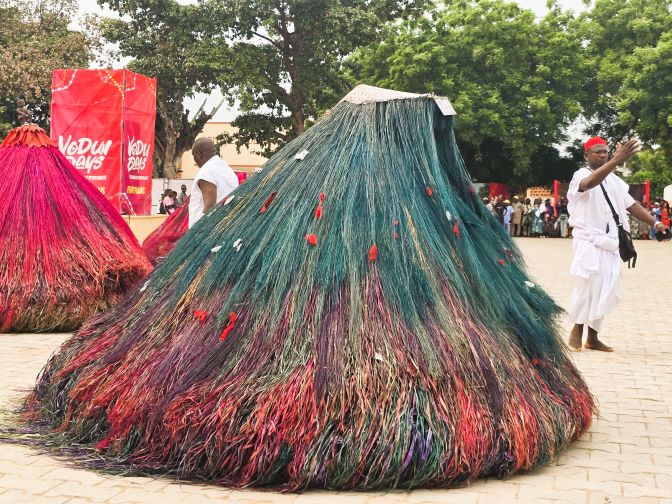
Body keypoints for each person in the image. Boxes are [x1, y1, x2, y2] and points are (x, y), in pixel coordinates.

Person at [567, 137, 668, 353]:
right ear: (586, 155)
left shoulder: (615, 181)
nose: (602, 155)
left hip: (611, 243)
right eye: (597, 152)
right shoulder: (581, 175)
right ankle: (577, 330)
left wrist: (656, 223)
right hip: (589, 241)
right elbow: (589, 184)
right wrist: (616, 159)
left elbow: (632, 205)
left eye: (605, 151)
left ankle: (593, 338)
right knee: (587, 286)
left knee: (606, 288)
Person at [189, 137, 239, 228]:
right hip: (226, 225)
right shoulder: (227, 170)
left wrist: (198, 231)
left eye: (194, 156)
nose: (194, 160)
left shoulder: (206, 172)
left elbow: (210, 206)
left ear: (199, 155)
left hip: (204, 230)